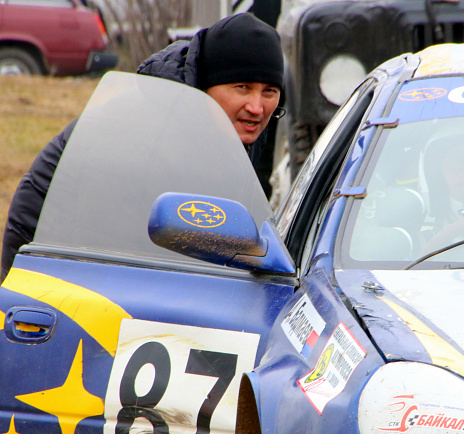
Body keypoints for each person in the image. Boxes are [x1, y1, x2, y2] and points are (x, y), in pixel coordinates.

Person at [1, 13, 284, 281]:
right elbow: (113, 246)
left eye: (269, 91)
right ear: (207, 86)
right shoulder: (150, 135)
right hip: (46, 253)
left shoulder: (233, 123)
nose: (257, 107)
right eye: (242, 87)